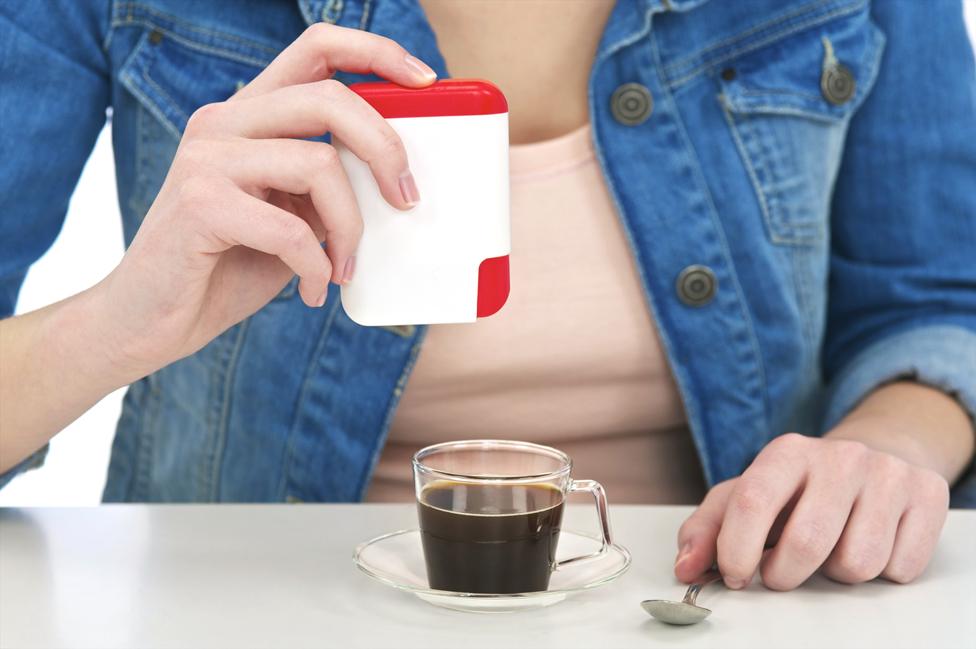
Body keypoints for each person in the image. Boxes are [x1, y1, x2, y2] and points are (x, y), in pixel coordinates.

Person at [1, 0, 974, 593]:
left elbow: (935, 300)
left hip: (720, 609)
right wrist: (110, 327)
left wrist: (880, 455)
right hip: (247, 616)